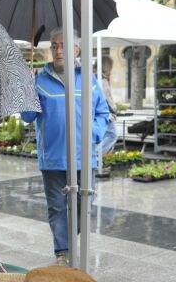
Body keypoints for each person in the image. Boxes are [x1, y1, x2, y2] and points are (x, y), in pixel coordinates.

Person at [21, 27, 109, 266]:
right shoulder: (39, 80)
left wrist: (94, 134)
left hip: (84, 156)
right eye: (55, 46)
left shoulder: (89, 81)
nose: (58, 50)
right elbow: (27, 117)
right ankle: (62, 252)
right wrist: (26, 90)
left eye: (64, 46)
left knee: (83, 205)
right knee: (58, 207)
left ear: (76, 49)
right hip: (53, 157)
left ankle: (69, 240)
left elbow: (103, 113)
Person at [96, 56, 119, 173]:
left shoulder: (93, 78)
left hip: (98, 113)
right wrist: (115, 110)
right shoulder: (103, 81)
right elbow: (108, 99)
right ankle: (94, 156)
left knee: (102, 137)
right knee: (113, 135)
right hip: (106, 113)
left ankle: (97, 161)